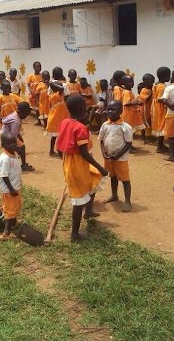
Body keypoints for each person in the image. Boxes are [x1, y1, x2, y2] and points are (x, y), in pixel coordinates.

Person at [56, 94, 108, 242]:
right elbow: (84, 153)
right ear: (81, 109)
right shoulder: (80, 129)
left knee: (94, 179)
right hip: (78, 164)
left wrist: (65, 162)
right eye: (85, 106)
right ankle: (74, 234)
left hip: (70, 162)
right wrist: (101, 167)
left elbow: (59, 147)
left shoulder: (64, 122)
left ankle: (89, 210)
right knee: (78, 200)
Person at [99, 100, 133, 212]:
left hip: (120, 159)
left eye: (113, 109)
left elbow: (128, 143)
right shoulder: (105, 125)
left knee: (125, 179)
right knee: (112, 177)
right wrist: (104, 152)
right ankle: (114, 195)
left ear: (121, 111)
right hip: (108, 158)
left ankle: (128, 201)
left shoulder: (125, 127)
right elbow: (102, 140)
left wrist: (118, 155)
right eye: (108, 109)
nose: (109, 112)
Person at [0, 131, 23, 240]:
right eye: (9, 144)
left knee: (15, 207)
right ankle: (6, 233)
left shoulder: (13, 154)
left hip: (14, 187)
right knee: (9, 210)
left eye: (14, 142)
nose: (13, 145)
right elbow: (4, 176)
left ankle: (14, 222)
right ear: (3, 145)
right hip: (9, 190)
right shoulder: (5, 159)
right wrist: (11, 189)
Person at [1, 101, 35, 171]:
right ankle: (23, 165)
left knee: (20, 146)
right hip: (7, 136)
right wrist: (18, 147)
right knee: (21, 147)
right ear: (21, 112)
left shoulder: (15, 114)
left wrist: (20, 138)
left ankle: (18, 163)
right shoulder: (16, 121)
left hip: (6, 133)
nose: (26, 117)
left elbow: (15, 132)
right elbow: (13, 135)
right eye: (26, 115)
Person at [46, 67, 69, 157]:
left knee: (55, 133)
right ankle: (60, 149)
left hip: (54, 110)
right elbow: (67, 97)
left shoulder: (51, 85)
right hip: (63, 110)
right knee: (62, 131)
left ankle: (52, 150)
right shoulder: (65, 85)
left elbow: (49, 98)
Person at [151, 67, 171, 153]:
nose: (169, 77)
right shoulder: (162, 86)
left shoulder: (155, 84)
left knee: (159, 125)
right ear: (163, 76)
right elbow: (161, 99)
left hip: (155, 107)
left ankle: (160, 145)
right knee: (162, 125)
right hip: (161, 108)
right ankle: (159, 146)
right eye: (168, 75)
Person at [120, 75, 145, 140]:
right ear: (124, 83)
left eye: (132, 81)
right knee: (128, 131)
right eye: (129, 82)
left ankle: (130, 145)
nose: (132, 83)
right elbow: (126, 103)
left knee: (130, 131)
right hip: (128, 115)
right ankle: (128, 146)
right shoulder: (126, 92)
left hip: (131, 115)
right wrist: (137, 103)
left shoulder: (129, 91)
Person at [138, 73, 155, 138]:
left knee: (150, 122)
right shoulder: (143, 90)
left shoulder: (151, 89)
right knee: (144, 124)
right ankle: (143, 138)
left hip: (150, 109)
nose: (152, 83)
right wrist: (151, 93)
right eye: (151, 82)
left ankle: (151, 136)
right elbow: (146, 100)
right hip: (144, 110)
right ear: (145, 82)